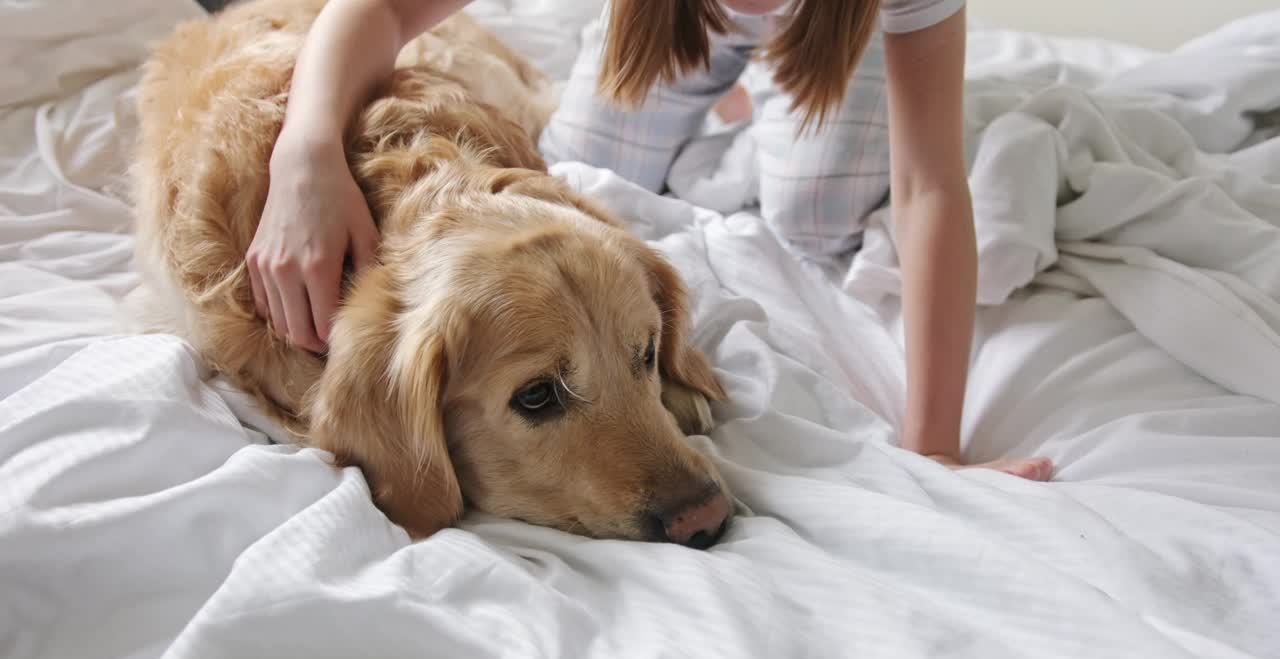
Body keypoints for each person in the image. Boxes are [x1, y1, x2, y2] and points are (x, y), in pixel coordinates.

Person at [247, 0, 1054, 481]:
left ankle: (776, 92)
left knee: (814, 215)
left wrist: (936, 450)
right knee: (585, 172)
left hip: (838, 31)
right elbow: (379, 10)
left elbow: (929, 188)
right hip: (674, 18)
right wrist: (306, 150)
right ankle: (738, 101)